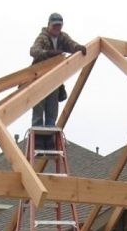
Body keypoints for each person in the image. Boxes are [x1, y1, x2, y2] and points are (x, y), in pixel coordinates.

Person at [29, 13, 86, 148]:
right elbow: (33, 51)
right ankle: (38, 141)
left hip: (54, 80)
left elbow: (71, 44)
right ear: (49, 25)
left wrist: (78, 48)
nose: (57, 28)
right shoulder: (43, 37)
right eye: (54, 26)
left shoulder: (62, 37)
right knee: (38, 111)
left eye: (59, 26)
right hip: (40, 78)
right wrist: (47, 54)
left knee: (52, 110)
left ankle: (49, 140)